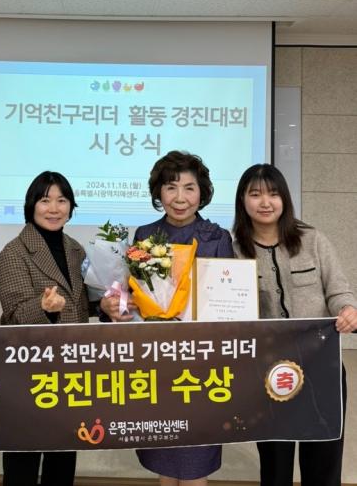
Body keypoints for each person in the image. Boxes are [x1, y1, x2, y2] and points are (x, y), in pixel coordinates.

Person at [233, 163, 357, 486]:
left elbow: (339, 290)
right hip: (266, 373)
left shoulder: (313, 240)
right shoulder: (233, 250)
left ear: (284, 199)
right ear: (242, 200)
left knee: (323, 462)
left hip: (322, 367)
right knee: (275, 466)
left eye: (273, 194)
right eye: (255, 194)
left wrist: (348, 310)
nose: (265, 202)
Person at [0, 170, 118, 486]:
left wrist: (102, 308)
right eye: (45, 200)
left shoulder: (75, 249)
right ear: (31, 206)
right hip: (29, 374)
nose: (54, 208)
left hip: (71, 371)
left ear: (71, 206)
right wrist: (44, 307)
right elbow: (14, 316)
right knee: (23, 462)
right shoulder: (13, 252)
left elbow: (79, 304)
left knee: (62, 460)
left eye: (62, 200)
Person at [132, 150, 234, 486]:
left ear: (201, 193)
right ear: (158, 192)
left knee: (195, 455)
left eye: (189, 188)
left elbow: (230, 300)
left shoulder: (217, 237)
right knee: (166, 450)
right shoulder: (144, 235)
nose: (180, 198)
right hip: (157, 359)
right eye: (171, 187)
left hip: (203, 360)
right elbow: (136, 296)